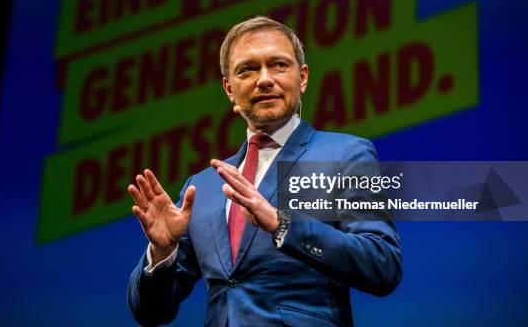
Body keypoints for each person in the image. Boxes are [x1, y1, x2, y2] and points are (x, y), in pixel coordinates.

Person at [127, 16, 402, 326]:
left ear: (303, 78)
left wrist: (281, 224)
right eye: (248, 69)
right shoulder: (202, 188)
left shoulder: (344, 155)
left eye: (279, 65)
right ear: (229, 89)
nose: (264, 79)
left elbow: (382, 265)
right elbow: (151, 313)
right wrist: (162, 251)